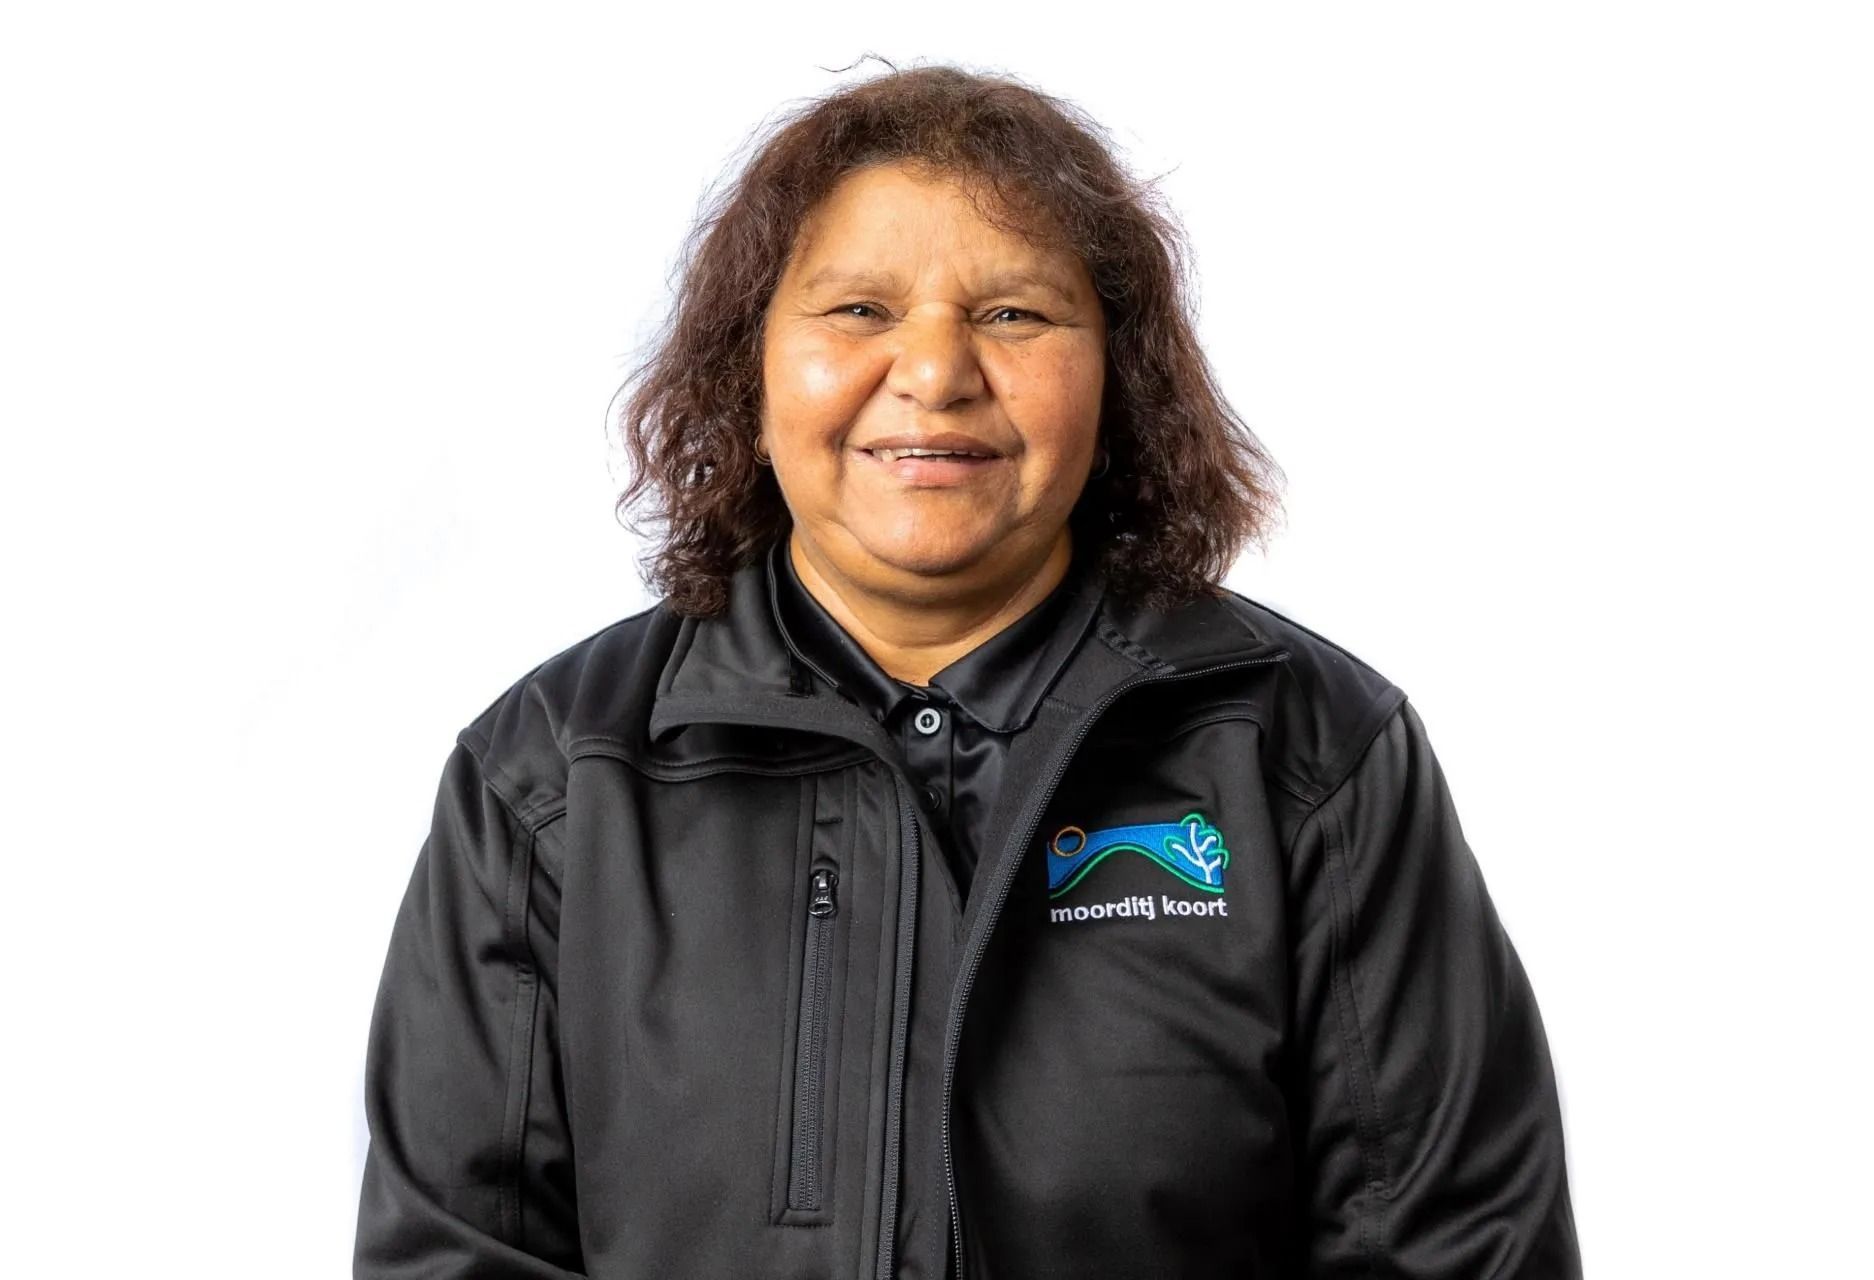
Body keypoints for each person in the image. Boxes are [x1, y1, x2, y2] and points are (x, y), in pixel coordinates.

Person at [353, 63, 1583, 1279]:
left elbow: (1462, 1249)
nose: (935, 372)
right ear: (751, 362)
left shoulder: (1311, 756)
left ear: (1121, 374)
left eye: (1013, 314)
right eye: (858, 311)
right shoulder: (553, 782)